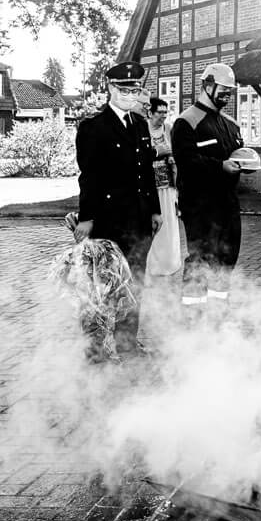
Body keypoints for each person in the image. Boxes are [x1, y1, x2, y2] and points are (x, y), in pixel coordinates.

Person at [74, 63, 161, 355]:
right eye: (124, 89)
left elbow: (146, 171)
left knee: (134, 280)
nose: (129, 95)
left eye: (134, 90)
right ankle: (95, 347)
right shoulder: (93, 126)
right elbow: (89, 176)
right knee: (103, 283)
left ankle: (126, 342)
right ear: (110, 88)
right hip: (108, 219)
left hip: (138, 218)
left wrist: (155, 210)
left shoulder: (139, 124)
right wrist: (86, 218)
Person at [172, 63, 246, 302]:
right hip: (200, 206)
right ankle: (193, 316)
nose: (227, 94)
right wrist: (219, 166)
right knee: (201, 258)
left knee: (227, 257)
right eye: (223, 89)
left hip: (228, 204)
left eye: (230, 90)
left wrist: (244, 162)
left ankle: (217, 312)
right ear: (207, 85)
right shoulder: (186, 122)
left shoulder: (230, 124)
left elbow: (238, 155)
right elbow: (186, 162)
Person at [143, 96, 186, 288]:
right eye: (159, 112)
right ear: (150, 113)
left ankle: (168, 262)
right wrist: (159, 151)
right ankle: (150, 262)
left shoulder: (168, 129)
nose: (162, 116)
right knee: (150, 222)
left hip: (167, 181)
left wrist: (170, 156)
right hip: (149, 184)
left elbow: (174, 150)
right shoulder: (142, 129)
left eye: (165, 112)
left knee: (168, 222)